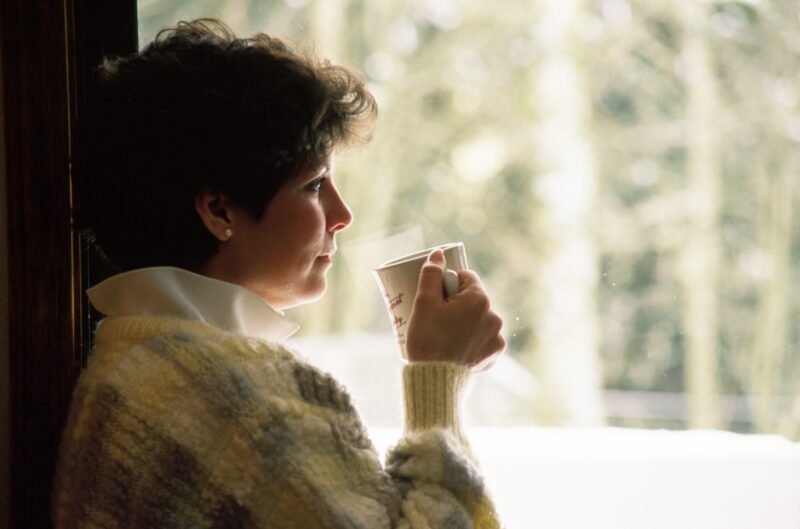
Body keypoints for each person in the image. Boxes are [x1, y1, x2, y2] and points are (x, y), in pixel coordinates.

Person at [53, 18, 506, 529]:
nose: (343, 214)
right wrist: (439, 375)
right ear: (220, 211)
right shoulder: (244, 403)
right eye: (315, 186)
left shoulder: (126, 367)